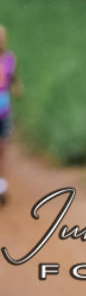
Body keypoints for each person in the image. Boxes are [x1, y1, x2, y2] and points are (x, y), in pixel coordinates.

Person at [0, 26, 20, 204]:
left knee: (3, 147)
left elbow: (12, 78)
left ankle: (1, 184)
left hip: (4, 109)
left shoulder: (9, 59)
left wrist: (17, 88)